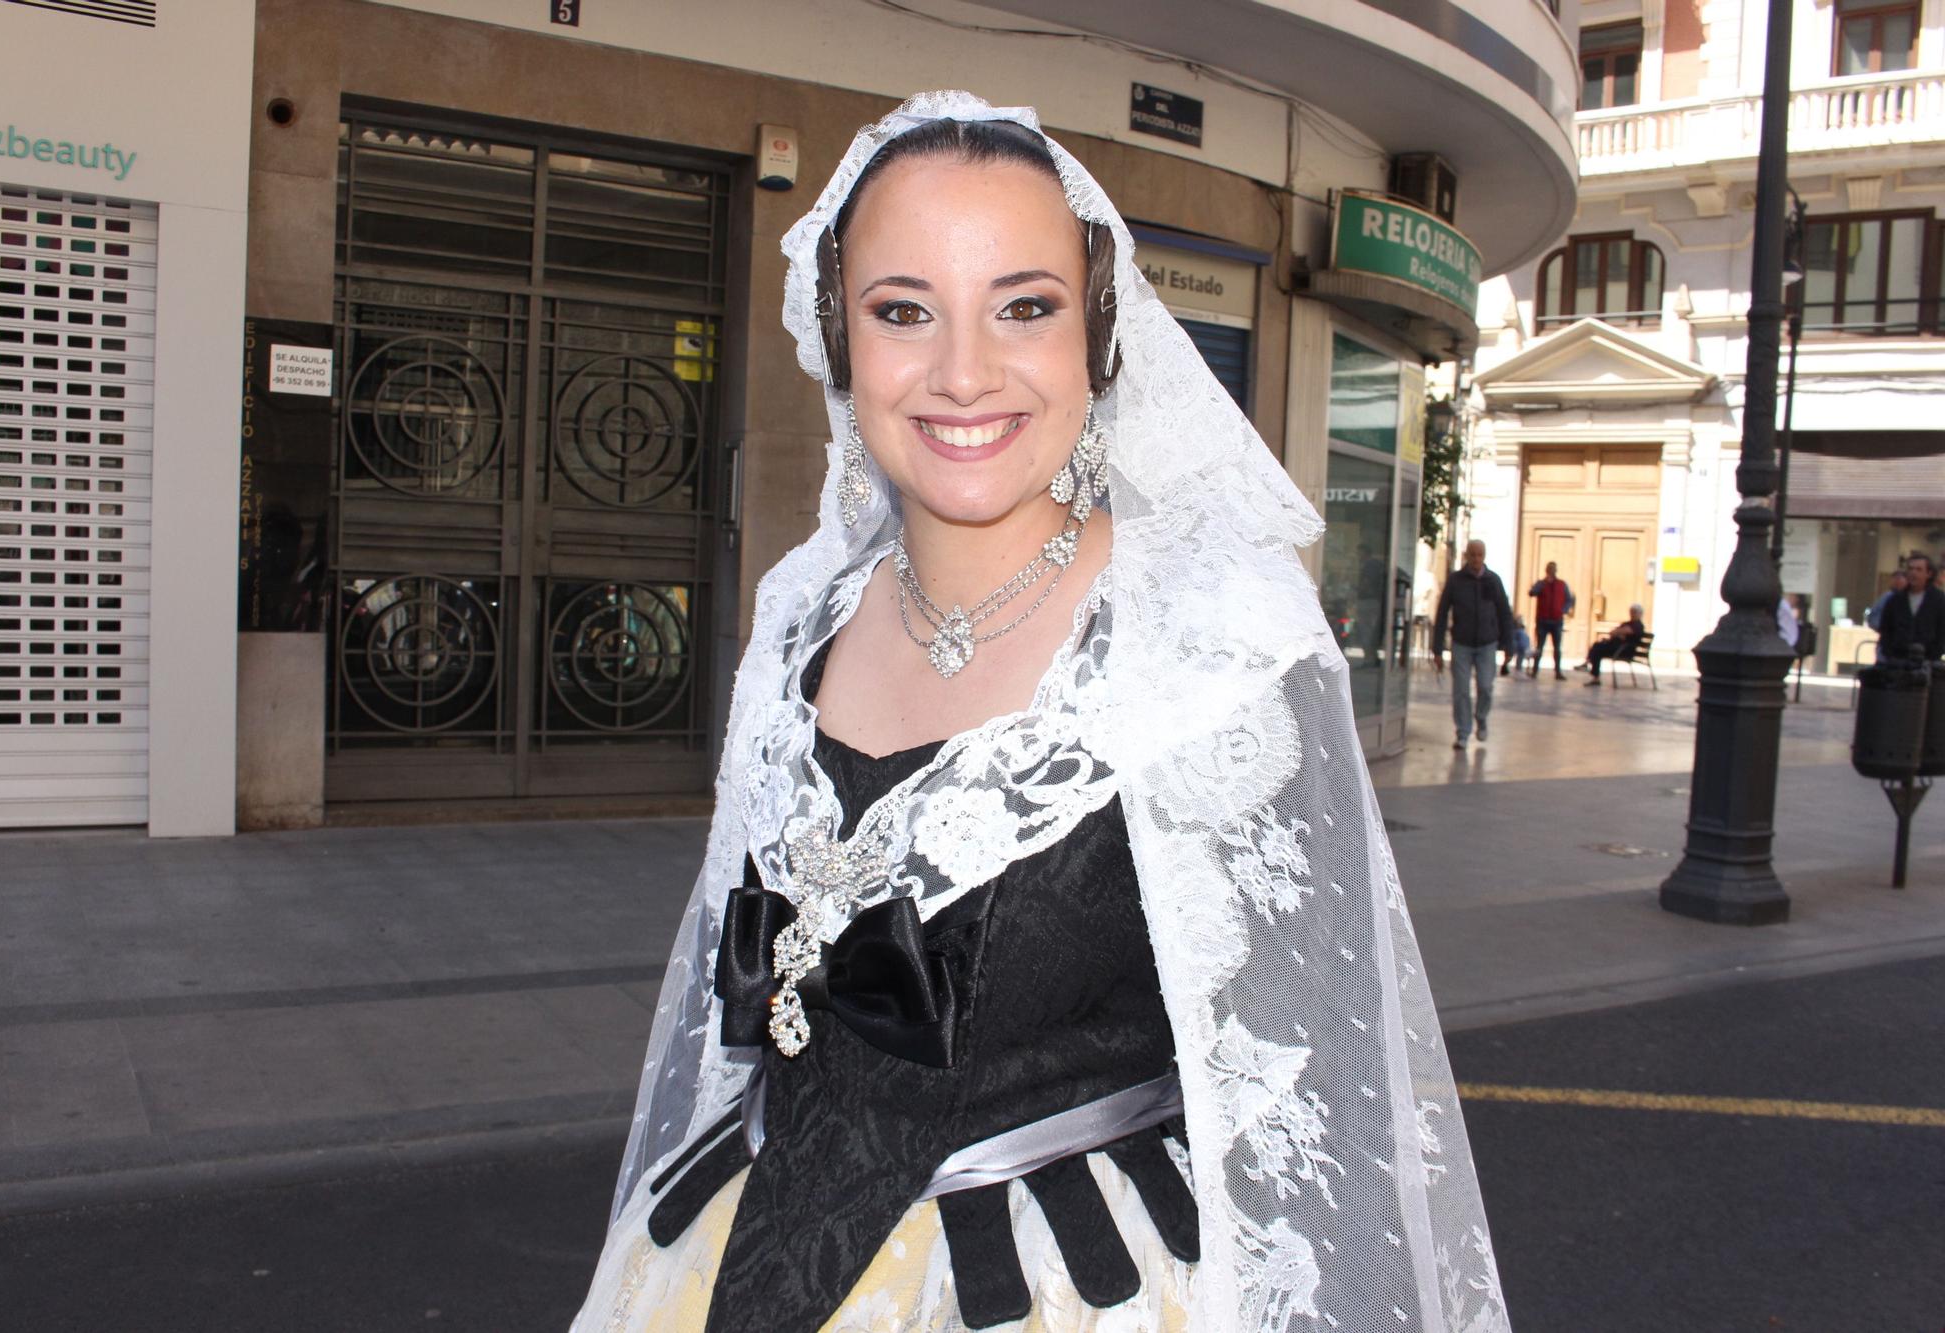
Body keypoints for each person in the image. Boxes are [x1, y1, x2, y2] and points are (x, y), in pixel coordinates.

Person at [569, 94, 1509, 1333]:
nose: (963, 372)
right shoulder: (799, 612)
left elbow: (1314, 1098)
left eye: (1024, 306)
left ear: (1095, 340)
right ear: (840, 344)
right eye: (902, 310)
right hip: (728, 1260)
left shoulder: (1217, 641)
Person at [1431, 539, 1512, 748]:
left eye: (1480, 555)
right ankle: (1463, 732)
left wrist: (1508, 645)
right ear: (1466, 555)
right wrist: (1437, 649)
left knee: (1485, 686)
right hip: (1462, 643)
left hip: (1487, 644)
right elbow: (1442, 614)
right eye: (1473, 555)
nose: (1476, 559)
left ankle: (1481, 719)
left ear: (1484, 556)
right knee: (1461, 690)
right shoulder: (1456, 581)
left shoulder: (1493, 580)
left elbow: (1504, 613)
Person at [1879, 551, 1945, 661]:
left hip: (1928, 661)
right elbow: (1886, 629)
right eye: (1910, 569)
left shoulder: (1939, 600)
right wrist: (1890, 652)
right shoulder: (1895, 600)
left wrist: (1934, 653)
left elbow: (1942, 631)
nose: (1913, 573)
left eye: (1918, 569)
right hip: (1897, 661)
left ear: (1928, 573)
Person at [1526, 560, 1572, 679]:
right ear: (1546, 570)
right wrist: (1541, 584)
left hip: (1557, 620)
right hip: (1543, 620)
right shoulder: (1541, 583)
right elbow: (1532, 593)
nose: (1551, 571)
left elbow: (1569, 599)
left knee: (1557, 648)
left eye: (1553, 569)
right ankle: (1535, 671)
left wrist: (1564, 610)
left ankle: (1558, 672)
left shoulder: (1562, 584)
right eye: (1549, 569)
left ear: (1556, 571)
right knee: (1539, 646)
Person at [1582, 603, 1646, 685]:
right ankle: (1591, 670)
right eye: (1631, 612)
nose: (1632, 614)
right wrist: (1620, 633)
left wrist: (1620, 633)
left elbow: (1624, 631)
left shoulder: (1638, 625)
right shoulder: (1627, 623)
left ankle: (1589, 665)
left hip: (1624, 650)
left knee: (1598, 648)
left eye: (1634, 612)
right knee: (1597, 645)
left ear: (1640, 614)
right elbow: (1612, 632)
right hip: (1617, 647)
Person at [1500, 613, 1532, 678]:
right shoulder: (1515, 630)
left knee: (1521, 655)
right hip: (1517, 646)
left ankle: (1519, 668)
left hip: (1522, 647)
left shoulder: (1521, 631)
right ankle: (1517, 668)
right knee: (1516, 655)